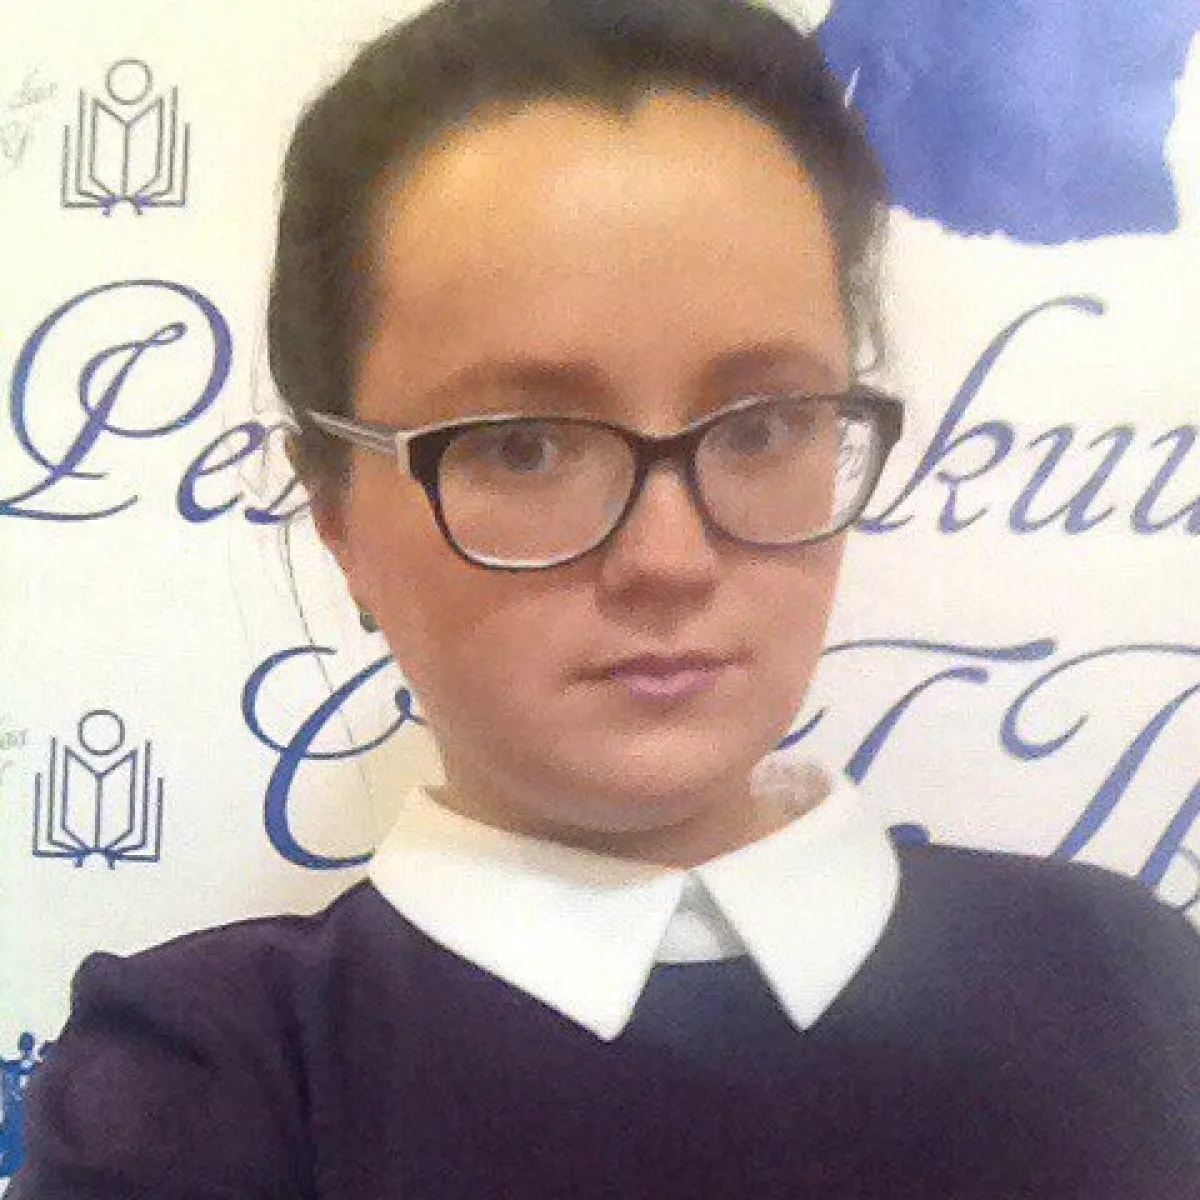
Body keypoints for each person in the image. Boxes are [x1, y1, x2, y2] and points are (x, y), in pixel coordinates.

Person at [12, 1, 1199, 1197]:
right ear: (335, 511)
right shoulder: (202, 1089)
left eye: (764, 427)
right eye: (524, 447)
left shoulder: (1128, 986)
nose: (668, 559)